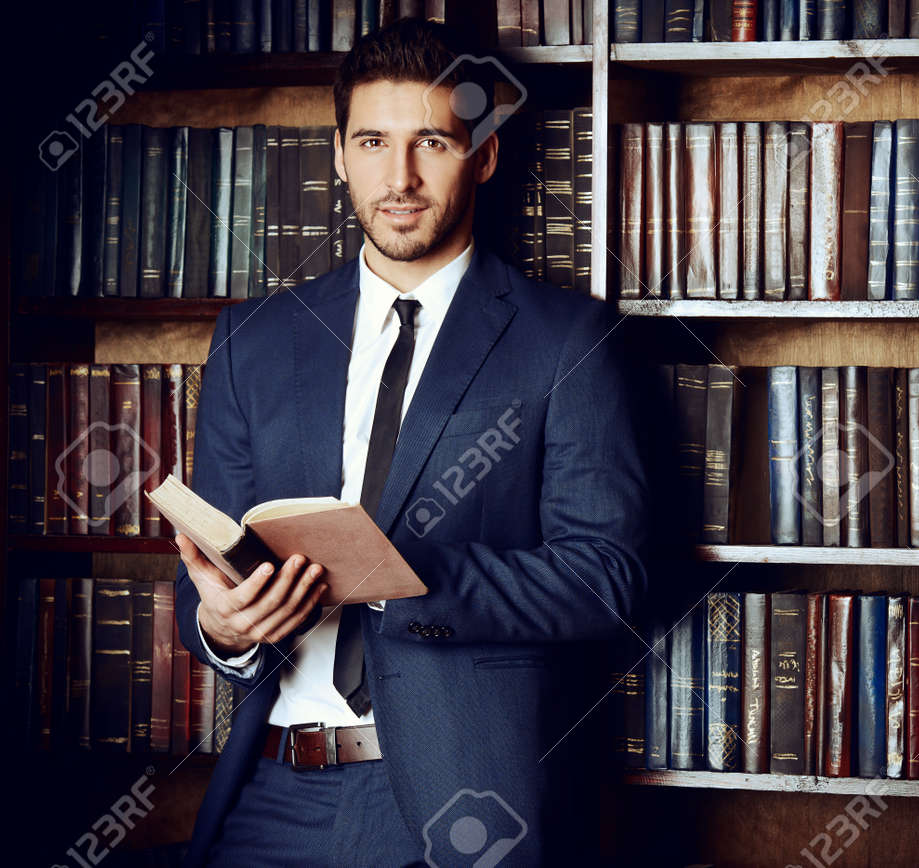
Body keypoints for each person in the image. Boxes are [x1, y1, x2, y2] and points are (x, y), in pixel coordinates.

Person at [172, 17, 650, 867]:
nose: (399, 177)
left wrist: (393, 574)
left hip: (464, 801)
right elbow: (204, 584)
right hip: (272, 791)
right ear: (339, 153)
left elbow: (607, 579)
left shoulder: (567, 341)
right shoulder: (253, 339)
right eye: (372, 142)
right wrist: (224, 624)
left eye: (431, 141)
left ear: (485, 155)